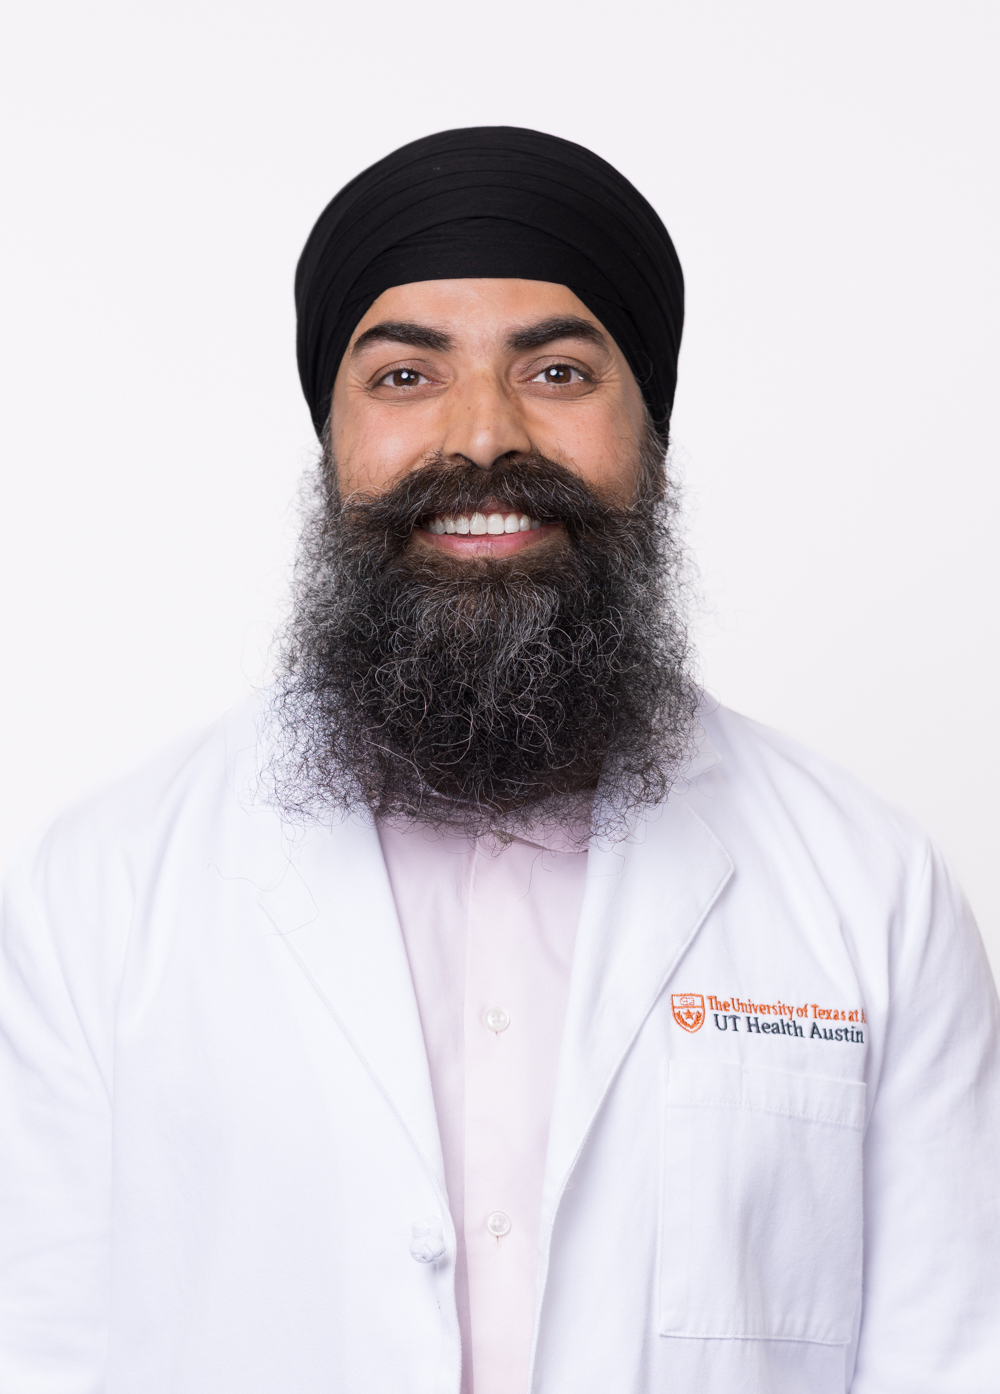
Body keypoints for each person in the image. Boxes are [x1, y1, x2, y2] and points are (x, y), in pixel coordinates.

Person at [1, 127, 997, 1394]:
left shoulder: (872, 891)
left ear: (654, 434)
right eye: (406, 376)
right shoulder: (95, 893)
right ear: (329, 440)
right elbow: (38, 1355)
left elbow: (954, 1355)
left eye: (561, 371)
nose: (480, 438)